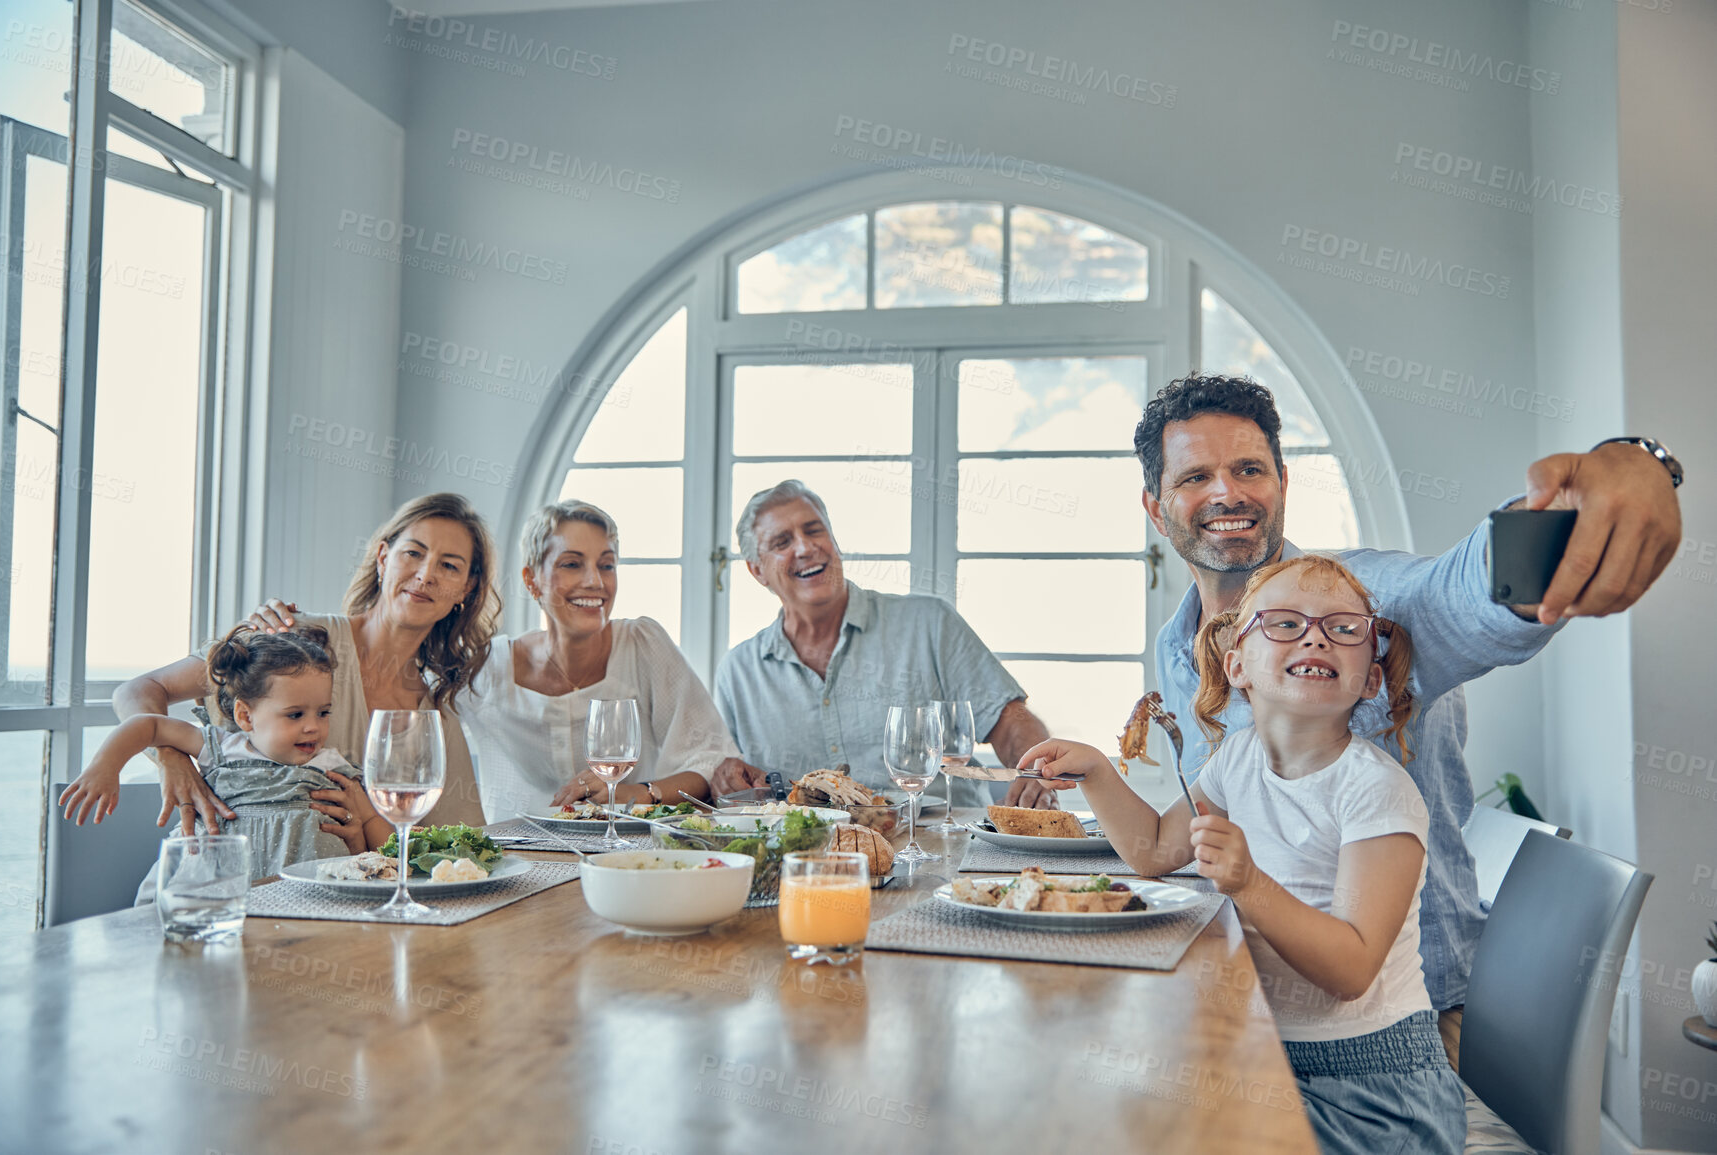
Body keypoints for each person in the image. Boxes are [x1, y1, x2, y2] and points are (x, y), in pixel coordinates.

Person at [1130, 373, 1683, 1068]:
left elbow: (1463, 594)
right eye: (1195, 476)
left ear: (1281, 483)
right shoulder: (1175, 646)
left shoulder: (1367, 609)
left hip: (1393, 1031)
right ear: (1156, 508)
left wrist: (1616, 478)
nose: (1227, 493)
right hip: (1248, 1001)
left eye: (1248, 469)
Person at [1024, 554, 1464, 1155]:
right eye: (1284, 623)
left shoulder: (1376, 791)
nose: (1315, 635)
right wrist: (1098, 772)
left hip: (1374, 1100)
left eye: (1344, 627)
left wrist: (1248, 881)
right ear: (1237, 665)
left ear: (1370, 679)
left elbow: (1353, 969)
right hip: (1272, 1064)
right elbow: (1155, 850)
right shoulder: (1239, 758)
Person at [113, 493, 500, 833]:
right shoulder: (295, 636)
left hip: (329, 903)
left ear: (466, 588)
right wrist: (170, 758)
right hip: (216, 878)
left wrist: (363, 839)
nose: (425, 574)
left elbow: (452, 845)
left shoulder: (434, 714)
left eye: (449, 565)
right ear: (383, 559)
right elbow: (140, 690)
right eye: (413, 553)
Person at [710, 479, 1055, 807]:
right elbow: (727, 775)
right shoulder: (738, 672)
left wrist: (1035, 770)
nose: (804, 547)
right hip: (809, 861)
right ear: (757, 571)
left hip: (944, 850)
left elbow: (1011, 722)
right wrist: (726, 777)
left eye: (814, 530)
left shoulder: (929, 624)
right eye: (782, 542)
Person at [453, 500, 748, 821]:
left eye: (606, 565)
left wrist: (643, 792)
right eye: (571, 564)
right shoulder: (487, 668)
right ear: (531, 579)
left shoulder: (643, 645)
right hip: (520, 856)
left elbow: (711, 760)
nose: (595, 581)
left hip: (629, 856)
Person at [61, 626, 395, 903]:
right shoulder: (221, 747)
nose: (313, 726)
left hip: (307, 904)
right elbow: (147, 724)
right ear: (245, 715)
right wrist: (105, 766)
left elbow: (375, 830)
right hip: (210, 898)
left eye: (323, 713)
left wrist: (373, 843)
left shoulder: (333, 766)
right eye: (295, 715)